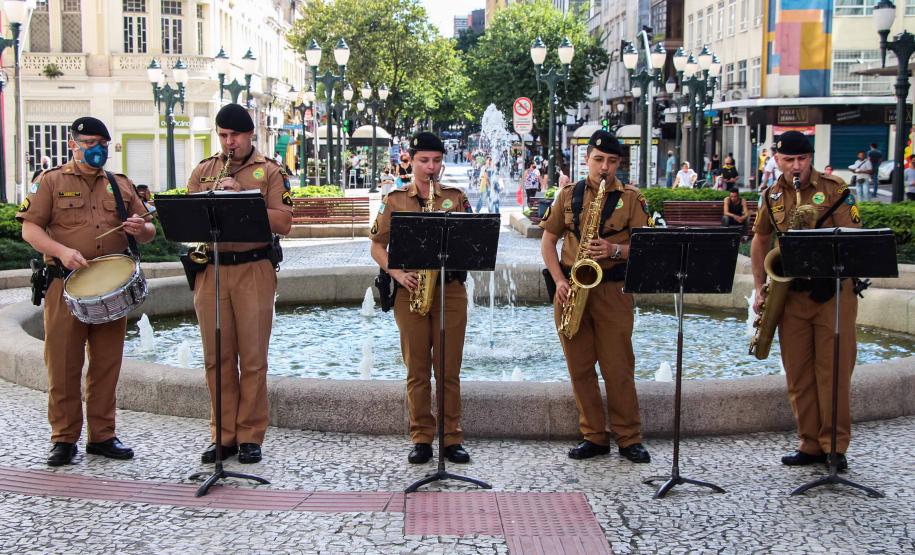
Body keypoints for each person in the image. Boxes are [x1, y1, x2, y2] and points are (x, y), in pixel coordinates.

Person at [17, 117, 157, 467]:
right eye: (91, 142)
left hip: (110, 287)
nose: (98, 150)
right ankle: (64, 439)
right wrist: (62, 251)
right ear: (73, 144)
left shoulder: (120, 184)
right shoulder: (50, 182)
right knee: (63, 364)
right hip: (64, 284)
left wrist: (141, 229)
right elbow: (30, 229)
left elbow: (149, 231)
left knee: (106, 364)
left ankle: (103, 436)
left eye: (104, 144)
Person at [186, 104, 293, 465]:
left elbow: (284, 222)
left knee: (252, 358)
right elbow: (188, 221)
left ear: (250, 136)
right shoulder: (204, 170)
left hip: (253, 267)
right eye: (223, 136)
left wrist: (244, 198)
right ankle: (222, 435)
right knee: (216, 357)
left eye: (234, 136)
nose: (228, 143)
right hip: (212, 268)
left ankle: (250, 436)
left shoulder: (271, 172)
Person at [751, 130, 861, 471]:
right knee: (798, 373)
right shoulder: (771, 194)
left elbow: (854, 238)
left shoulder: (834, 189)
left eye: (801, 159)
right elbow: (760, 240)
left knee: (833, 373)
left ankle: (834, 446)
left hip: (832, 293)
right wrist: (759, 286)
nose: (795, 167)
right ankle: (809, 443)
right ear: (777, 160)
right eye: (788, 160)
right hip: (791, 294)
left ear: (810, 158)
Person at [539, 130, 651, 464]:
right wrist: (558, 281)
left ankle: (629, 438)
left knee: (618, 368)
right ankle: (594, 436)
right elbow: (547, 243)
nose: (605, 167)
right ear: (586, 158)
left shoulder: (631, 197)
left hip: (613, 290)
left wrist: (615, 249)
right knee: (580, 368)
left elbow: (646, 248)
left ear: (619, 163)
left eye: (612, 161)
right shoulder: (568, 195)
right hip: (572, 288)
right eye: (599, 160)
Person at [369, 131, 474, 464]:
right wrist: (397, 273)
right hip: (410, 289)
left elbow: (473, 243)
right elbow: (376, 245)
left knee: (448, 369)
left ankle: (452, 438)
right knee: (417, 369)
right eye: (424, 161)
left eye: (437, 161)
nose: (432, 168)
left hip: (450, 290)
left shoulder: (456, 197)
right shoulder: (395, 198)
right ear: (410, 161)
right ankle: (421, 438)